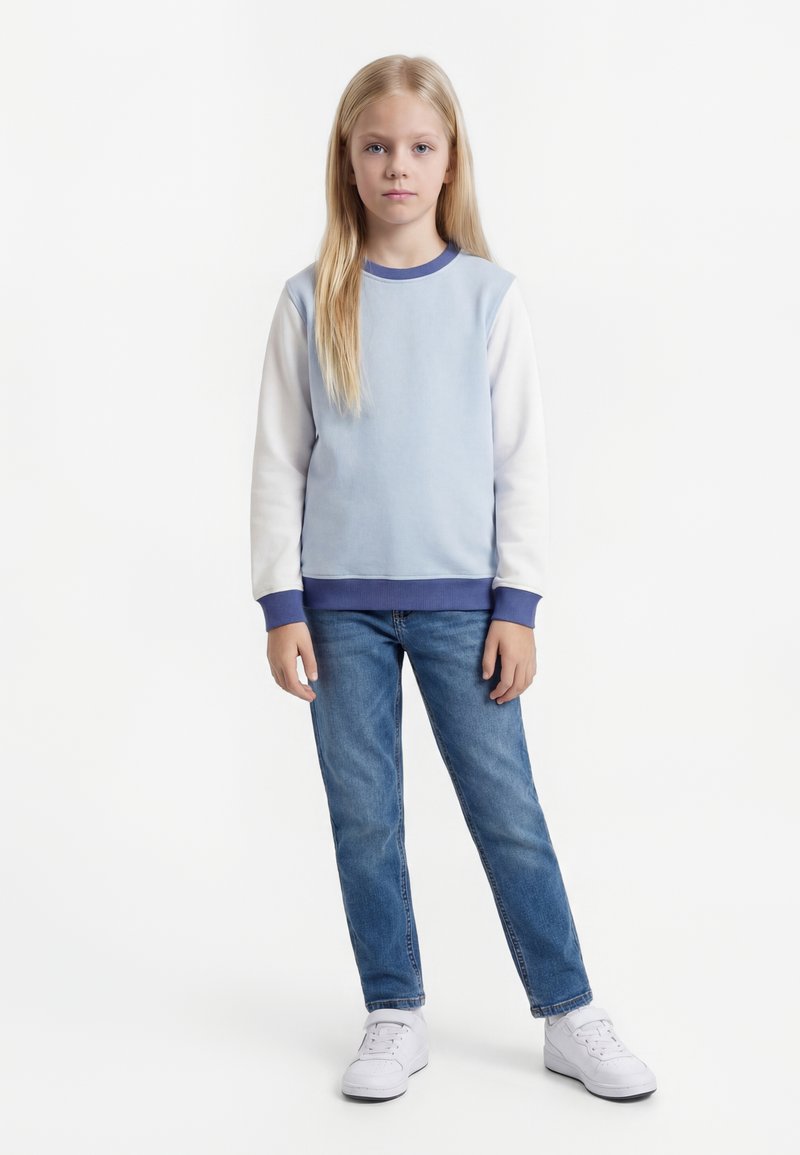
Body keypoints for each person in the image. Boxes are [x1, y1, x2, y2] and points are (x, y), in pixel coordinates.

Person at [250, 53, 657, 1103]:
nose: (398, 165)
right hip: (339, 611)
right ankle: (393, 1008)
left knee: (506, 809)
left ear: (448, 161)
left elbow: (521, 461)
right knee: (365, 817)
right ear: (347, 160)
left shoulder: (487, 297)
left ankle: (567, 1010)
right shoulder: (310, 300)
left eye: (418, 147)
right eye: (377, 146)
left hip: (463, 609)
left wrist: (517, 605)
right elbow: (278, 461)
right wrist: (280, 604)